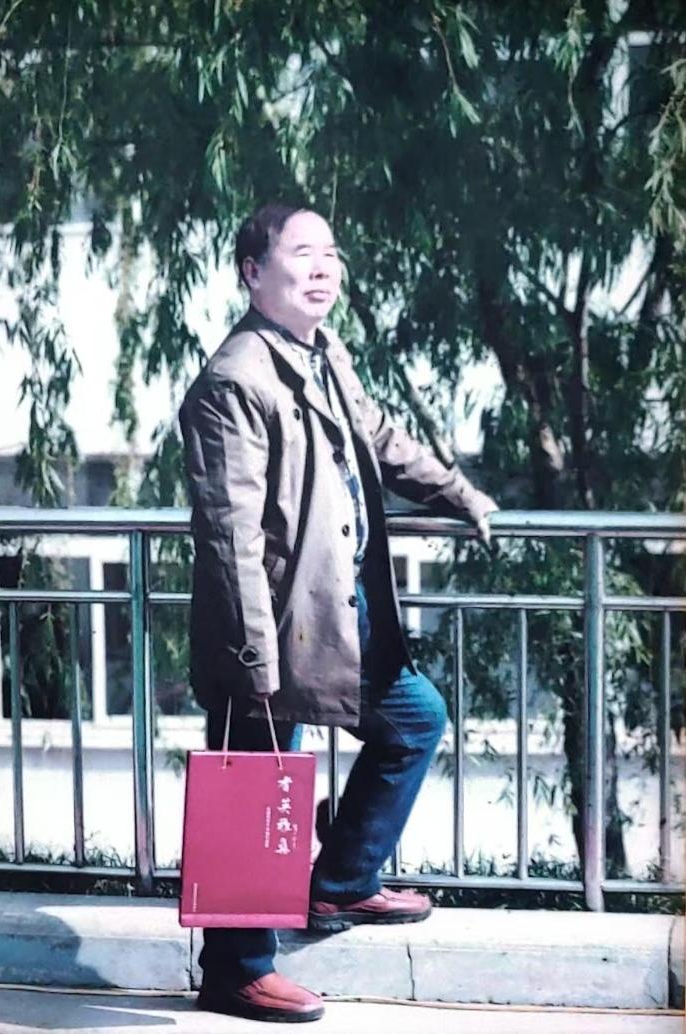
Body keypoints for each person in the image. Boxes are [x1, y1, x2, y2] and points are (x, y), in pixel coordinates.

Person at [178, 203, 498, 1023]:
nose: (323, 268)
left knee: (413, 721)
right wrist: (251, 660)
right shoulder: (233, 381)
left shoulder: (323, 353)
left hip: (339, 613)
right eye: (302, 253)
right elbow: (228, 536)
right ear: (253, 272)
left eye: (331, 252)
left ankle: (342, 882)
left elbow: (380, 439)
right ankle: (236, 969)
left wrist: (459, 494)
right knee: (256, 786)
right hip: (270, 627)